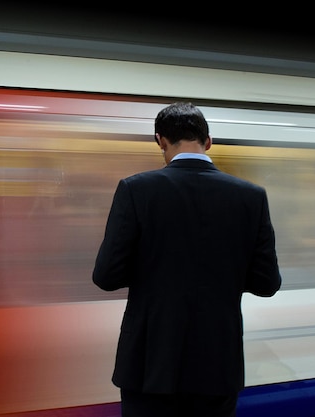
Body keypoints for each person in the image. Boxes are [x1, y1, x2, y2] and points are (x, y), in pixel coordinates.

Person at [92, 102, 282, 417]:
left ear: (161, 141)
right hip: (217, 365)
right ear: (208, 142)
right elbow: (266, 283)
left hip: (150, 364)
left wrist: (152, 270)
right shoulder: (251, 196)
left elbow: (106, 276)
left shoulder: (135, 190)